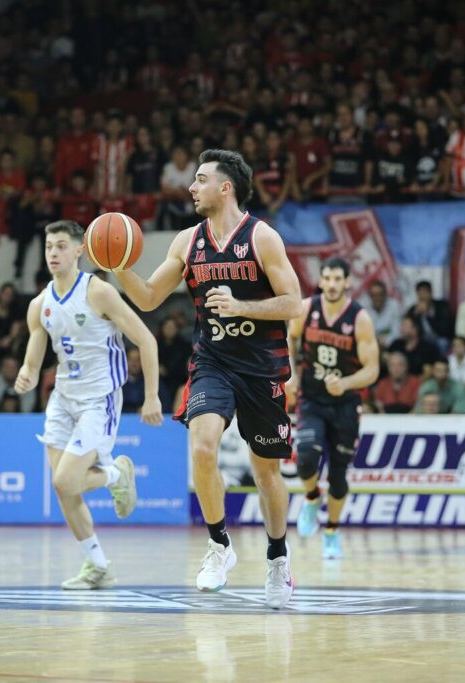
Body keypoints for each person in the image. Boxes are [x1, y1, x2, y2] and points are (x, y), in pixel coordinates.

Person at [114, 149, 302, 609]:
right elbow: (150, 297)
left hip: (262, 366)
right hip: (213, 361)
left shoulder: (262, 238)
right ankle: (219, 547)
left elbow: (294, 302)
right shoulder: (186, 241)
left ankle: (278, 556)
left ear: (226, 187)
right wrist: (117, 263)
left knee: (266, 470)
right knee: (201, 446)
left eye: (200, 180)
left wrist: (242, 307)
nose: (191, 187)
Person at [14, 220, 162, 590]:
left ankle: (117, 475)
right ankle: (98, 565)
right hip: (63, 400)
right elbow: (34, 355)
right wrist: (27, 374)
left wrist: (152, 396)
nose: (53, 253)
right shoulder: (40, 304)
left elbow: (146, 340)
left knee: (67, 479)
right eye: (49, 246)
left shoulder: (99, 293)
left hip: (100, 400)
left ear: (80, 250)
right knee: (63, 488)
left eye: (62, 246)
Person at [286, 258, 379, 559]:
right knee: (306, 460)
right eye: (327, 278)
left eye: (338, 278)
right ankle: (312, 497)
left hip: (345, 404)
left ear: (348, 282)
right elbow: (290, 337)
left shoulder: (360, 318)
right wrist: (292, 373)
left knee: (339, 478)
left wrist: (348, 382)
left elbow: (373, 369)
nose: (333, 284)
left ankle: (332, 531)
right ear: (321, 281)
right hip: (312, 399)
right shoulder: (306, 308)